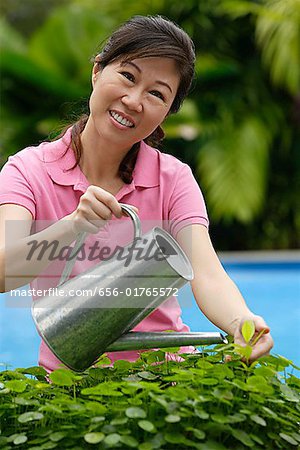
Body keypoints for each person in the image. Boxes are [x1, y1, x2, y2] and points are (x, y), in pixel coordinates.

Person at [0, 15, 273, 372]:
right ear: (97, 71)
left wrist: (240, 321)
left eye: (157, 94)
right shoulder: (27, 171)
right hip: (70, 383)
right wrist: (72, 227)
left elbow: (206, 273)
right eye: (127, 76)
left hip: (165, 380)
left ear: (167, 114)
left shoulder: (173, 179)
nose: (133, 100)